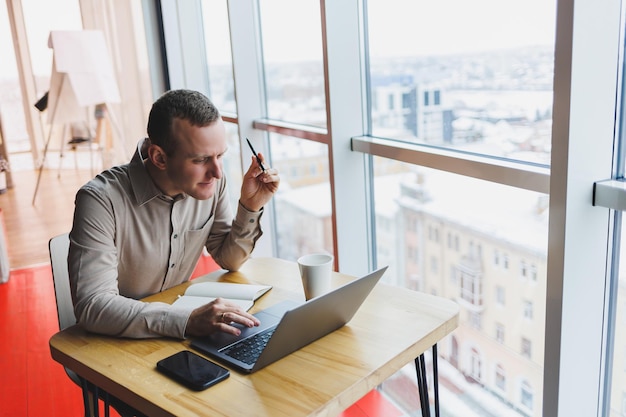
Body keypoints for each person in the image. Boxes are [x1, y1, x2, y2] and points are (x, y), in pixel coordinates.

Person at [68, 89, 280, 339]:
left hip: (174, 336)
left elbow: (229, 259)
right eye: (201, 160)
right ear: (159, 157)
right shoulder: (100, 200)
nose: (217, 173)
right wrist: (185, 321)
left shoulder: (209, 183)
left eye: (220, 155)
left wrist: (250, 207)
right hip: (113, 344)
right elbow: (93, 305)